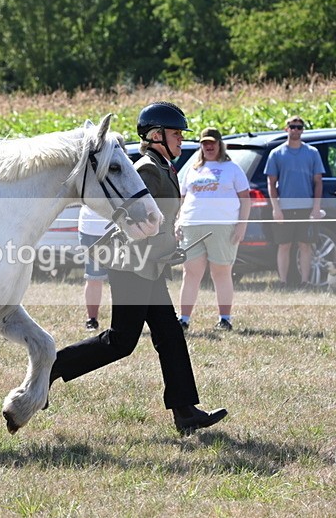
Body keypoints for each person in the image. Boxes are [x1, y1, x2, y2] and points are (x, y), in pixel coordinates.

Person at [47, 102, 228, 435]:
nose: (180, 140)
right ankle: (51, 367)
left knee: (171, 336)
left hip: (150, 267)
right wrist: (157, 244)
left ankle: (186, 412)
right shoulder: (147, 168)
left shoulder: (164, 166)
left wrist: (168, 249)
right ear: (156, 135)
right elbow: (128, 216)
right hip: (131, 267)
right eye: (175, 134)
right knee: (121, 342)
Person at [176, 127, 250, 331]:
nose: (209, 146)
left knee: (221, 272)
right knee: (190, 273)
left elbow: (246, 199)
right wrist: (178, 222)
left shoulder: (232, 168)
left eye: (212, 143)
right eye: (205, 143)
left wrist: (242, 225)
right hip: (192, 225)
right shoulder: (192, 169)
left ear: (219, 144)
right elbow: (182, 199)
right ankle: (183, 319)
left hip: (223, 226)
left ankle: (224, 318)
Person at [264, 116, 325, 288]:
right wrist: (276, 208)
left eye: (299, 127)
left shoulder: (312, 153)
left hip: (306, 207)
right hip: (285, 207)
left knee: (305, 245)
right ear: (286, 129)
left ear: (303, 130)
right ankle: (283, 282)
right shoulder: (276, 153)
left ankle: (305, 282)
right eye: (292, 127)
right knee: (284, 245)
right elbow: (271, 182)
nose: (295, 130)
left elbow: (318, 181)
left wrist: (316, 208)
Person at [77, 205, 110, 331]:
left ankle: (119, 320)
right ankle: (92, 319)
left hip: (116, 230)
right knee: (93, 278)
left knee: (118, 281)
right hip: (89, 230)